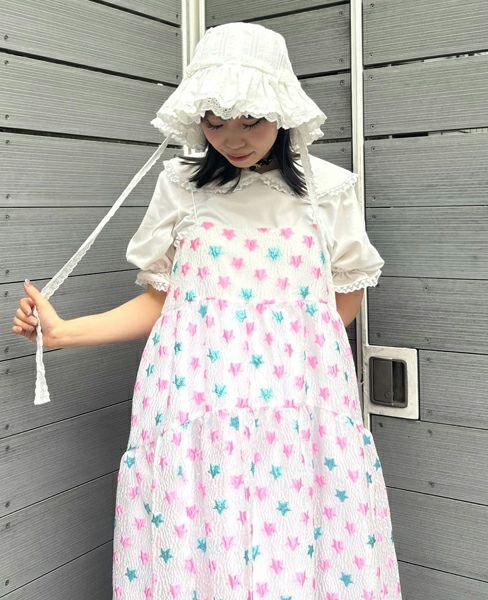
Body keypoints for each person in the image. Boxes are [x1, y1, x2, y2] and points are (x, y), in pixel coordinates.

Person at [12, 22, 401, 599]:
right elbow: (164, 302)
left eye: (251, 121)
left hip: (298, 403)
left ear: (282, 112)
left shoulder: (330, 191)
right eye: (215, 123)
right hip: (196, 397)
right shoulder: (181, 187)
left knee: (304, 534)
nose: (232, 139)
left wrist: (288, 347)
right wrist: (64, 332)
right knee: (198, 536)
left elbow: (345, 293)